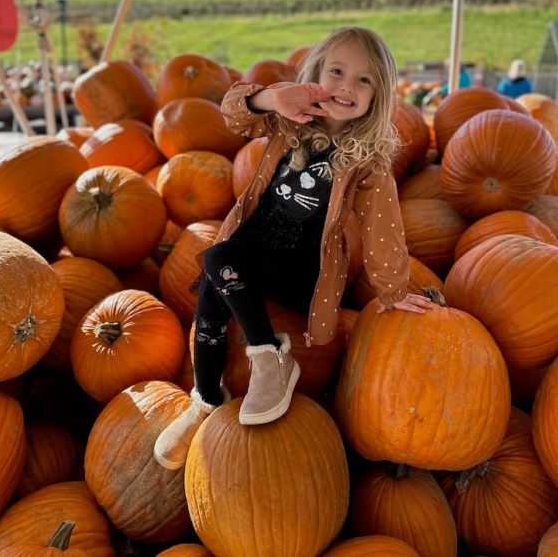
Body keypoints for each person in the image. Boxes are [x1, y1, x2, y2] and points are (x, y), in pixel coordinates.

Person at [153, 26, 433, 470]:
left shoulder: (367, 159)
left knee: (220, 258)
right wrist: (271, 97)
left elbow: (384, 226)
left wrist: (395, 289)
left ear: (379, 95)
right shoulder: (289, 123)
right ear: (315, 74)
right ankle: (205, 399)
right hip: (254, 253)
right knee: (215, 275)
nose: (346, 86)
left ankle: (272, 358)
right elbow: (232, 115)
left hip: (302, 269)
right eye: (337, 71)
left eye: (364, 80)